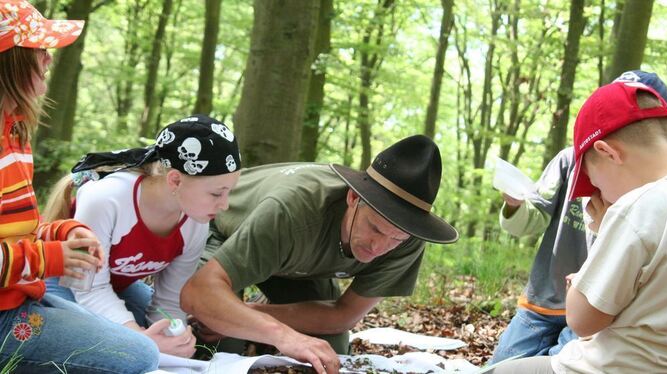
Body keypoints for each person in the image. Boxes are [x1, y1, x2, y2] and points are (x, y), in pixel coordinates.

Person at [180, 135, 458, 374]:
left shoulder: (409, 239)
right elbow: (198, 293)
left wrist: (250, 314)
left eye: (396, 238)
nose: (378, 246)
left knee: (328, 354)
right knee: (215, 344)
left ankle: (259, 306)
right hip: (224, 231)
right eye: (374, 227)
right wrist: (279, 333)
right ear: (352, 199)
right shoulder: (294, 208)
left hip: (297, 265)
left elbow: (343, 316)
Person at [0, 1, 159, 372]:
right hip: (5, 316)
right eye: (39, 50)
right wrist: (49, 258)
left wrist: (63, 232)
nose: (48, 60)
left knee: (139, 304)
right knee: (138, 356)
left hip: (19, 297)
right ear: (10, 63)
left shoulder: (14, 132)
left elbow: (12, 233)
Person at [489, 70, 667, 364]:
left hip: (599, 309)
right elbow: (535, 216)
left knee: (556, 359)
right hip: (546, 298)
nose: (597, 193)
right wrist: (514, 206)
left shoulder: (642, 205)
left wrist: (604, 227)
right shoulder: (570, 161)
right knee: (503, 361)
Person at [44, 114, 242, 358]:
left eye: (228, 193)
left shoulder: (195, 220)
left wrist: (173, 338)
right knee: (112, 350)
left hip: (114, 288)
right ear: (176, 180)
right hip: (60, 282)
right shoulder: (106, 199)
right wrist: (139, 338)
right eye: (216, 194)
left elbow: (169, 302)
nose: (224, 205)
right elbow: (87, 288)